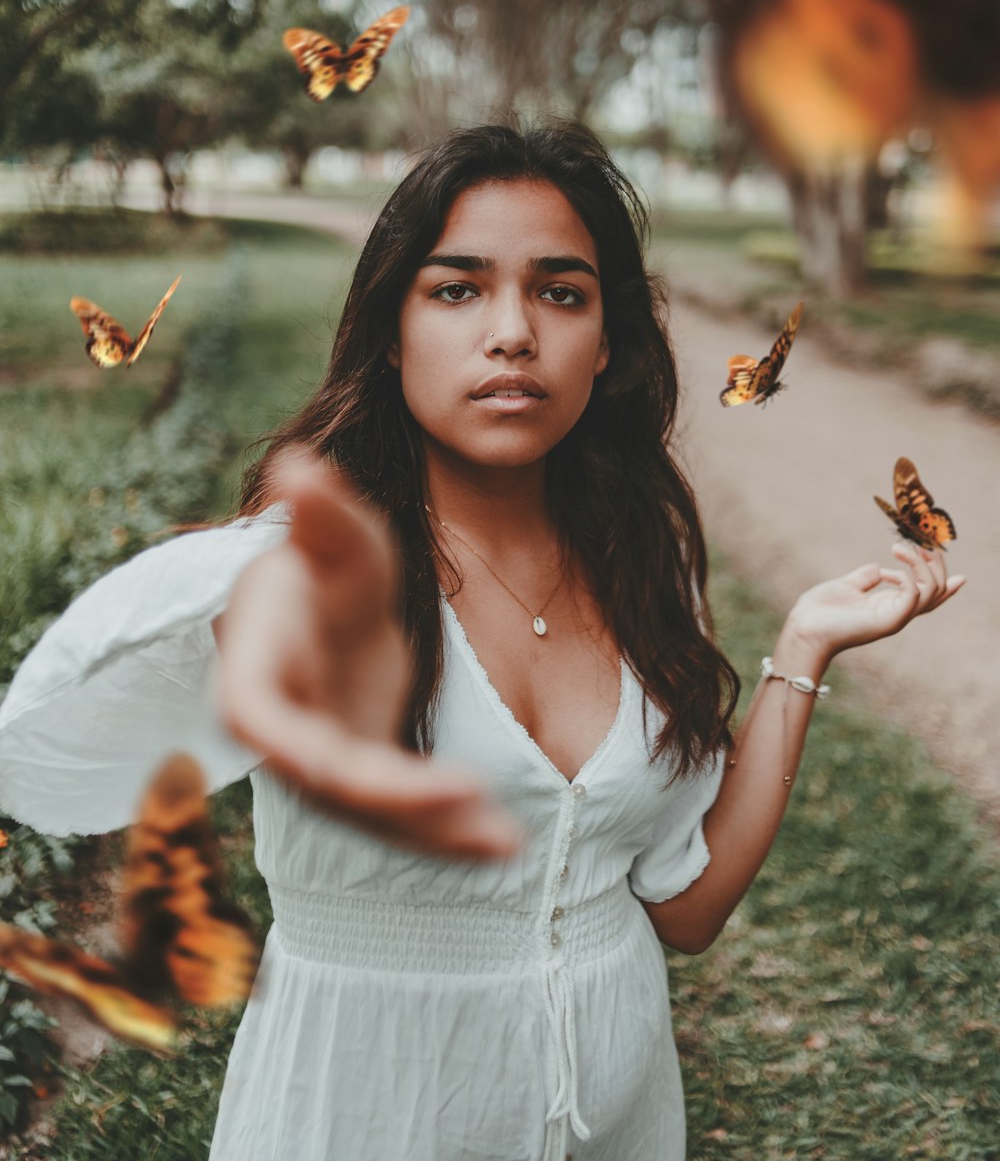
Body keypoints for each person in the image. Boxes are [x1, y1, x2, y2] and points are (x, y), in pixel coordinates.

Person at [0, 119, 963, 1161]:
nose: (512, 331)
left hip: (621, 1117)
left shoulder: (643, 564)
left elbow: (683, 909)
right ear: (392, 330)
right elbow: (61, 738)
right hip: (362, 1116)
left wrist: (803, 651)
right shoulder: (304, 580)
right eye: (456, 289)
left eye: (559, 291)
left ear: (607, 344)